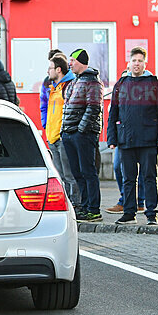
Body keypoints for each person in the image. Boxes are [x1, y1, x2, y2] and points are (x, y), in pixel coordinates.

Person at [107, 47, 158, 225]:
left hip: (148, 140)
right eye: (134, 60)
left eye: (140, 61)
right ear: (129, 63)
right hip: (126, 140)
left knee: (149, 177)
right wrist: (112, 138)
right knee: (128, 179)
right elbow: (114, 113)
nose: (137, 64)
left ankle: (151, 213)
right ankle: (129, 213)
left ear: (145, 63)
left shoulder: (153, 83)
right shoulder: (121, 84)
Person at [61, 49, 104, 222]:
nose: (69, 63)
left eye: (72, 60)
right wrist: (65, 131)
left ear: (81, 61)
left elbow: (94, 108)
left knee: (88, 172)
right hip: (69, 133)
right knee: (78, 173)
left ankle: (93, 209)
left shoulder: (92, 82)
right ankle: (85, 207)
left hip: (83, 135)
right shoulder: (74, 81)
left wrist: (81, 130)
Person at [45, 54, 80, 208]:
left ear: (58, 70)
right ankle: (65, 205)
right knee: (60, 176)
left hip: (62, 137)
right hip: (52, 137)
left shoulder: (68, 87)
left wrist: (63, 132)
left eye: (50, 68)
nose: (48, 71)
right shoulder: (54, 88)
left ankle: (75, 204)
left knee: (69, 175)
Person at [41, 49, 64, 128]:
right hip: (51, 129)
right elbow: (43, 104)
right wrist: (45, 124)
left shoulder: (71, 80)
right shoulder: (47, 82)